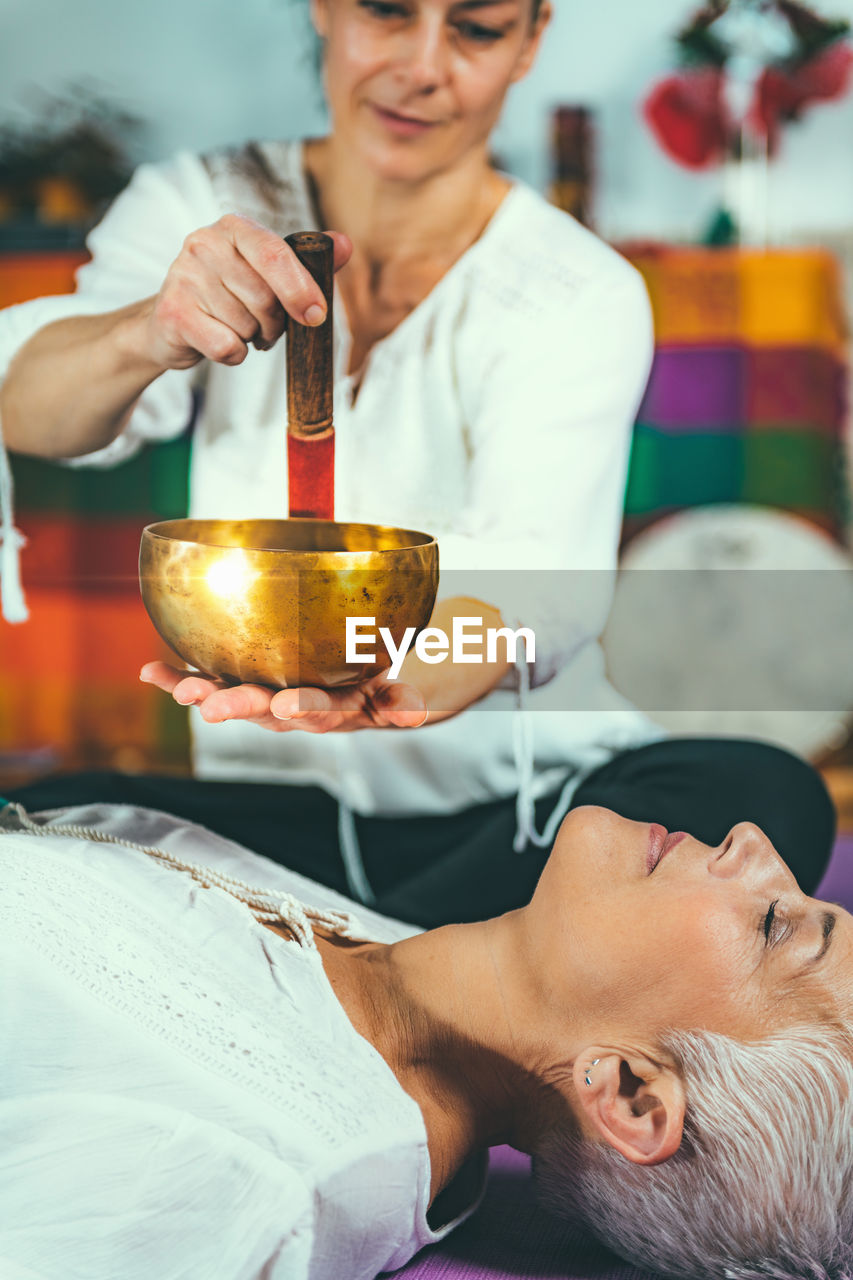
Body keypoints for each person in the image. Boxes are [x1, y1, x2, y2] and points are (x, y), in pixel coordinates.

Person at [0, 0, 835, 919]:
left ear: (530, 40)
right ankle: (433, 968)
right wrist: (147, 327)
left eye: (474, 29)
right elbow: (30, 409)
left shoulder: (576, 288)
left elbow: (537, 590)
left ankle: (340, 962)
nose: (422, 67)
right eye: (388, 13)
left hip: (518, 820)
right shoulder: (197, 202)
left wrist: (390, 679)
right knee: (29, 825)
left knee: (762, 793)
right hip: (270, 816)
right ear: (325, 9)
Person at [1, 795, 851, 1280]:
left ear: (627, 1091)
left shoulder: (235, 1175)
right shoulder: (376, 955)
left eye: (777, 924)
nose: (755, 841)